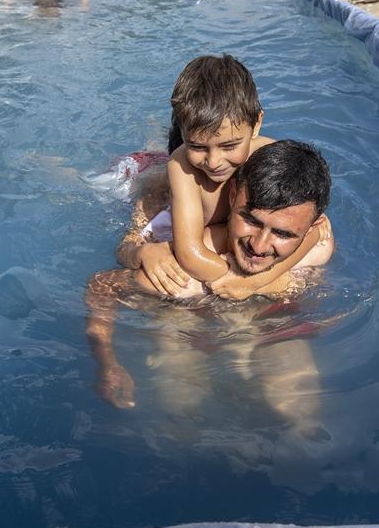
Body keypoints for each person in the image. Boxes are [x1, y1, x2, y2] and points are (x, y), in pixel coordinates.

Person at [85, 141, 335, 431]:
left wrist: (264, 285)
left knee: (302, 413)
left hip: (267, 314)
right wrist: (107, 361)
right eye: (250, 220)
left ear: (314, 227)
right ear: (233, 197)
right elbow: (104, 284)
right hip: (186, 314)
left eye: (283, 234)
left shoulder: (317, 250)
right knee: (181, 409)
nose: (258, 246)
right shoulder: (190, 265)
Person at [117, 55, 330, 301]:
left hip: (221, 229)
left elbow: (313, 232)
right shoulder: (181, 165)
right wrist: (141, 252)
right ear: (185, 137)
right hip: (163, 199)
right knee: (133, 241)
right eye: (197, 146)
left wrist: (255, 283)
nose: (214, 162)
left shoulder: (269, 155)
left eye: (229, 146)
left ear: (256, 124)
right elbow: (189, 255)